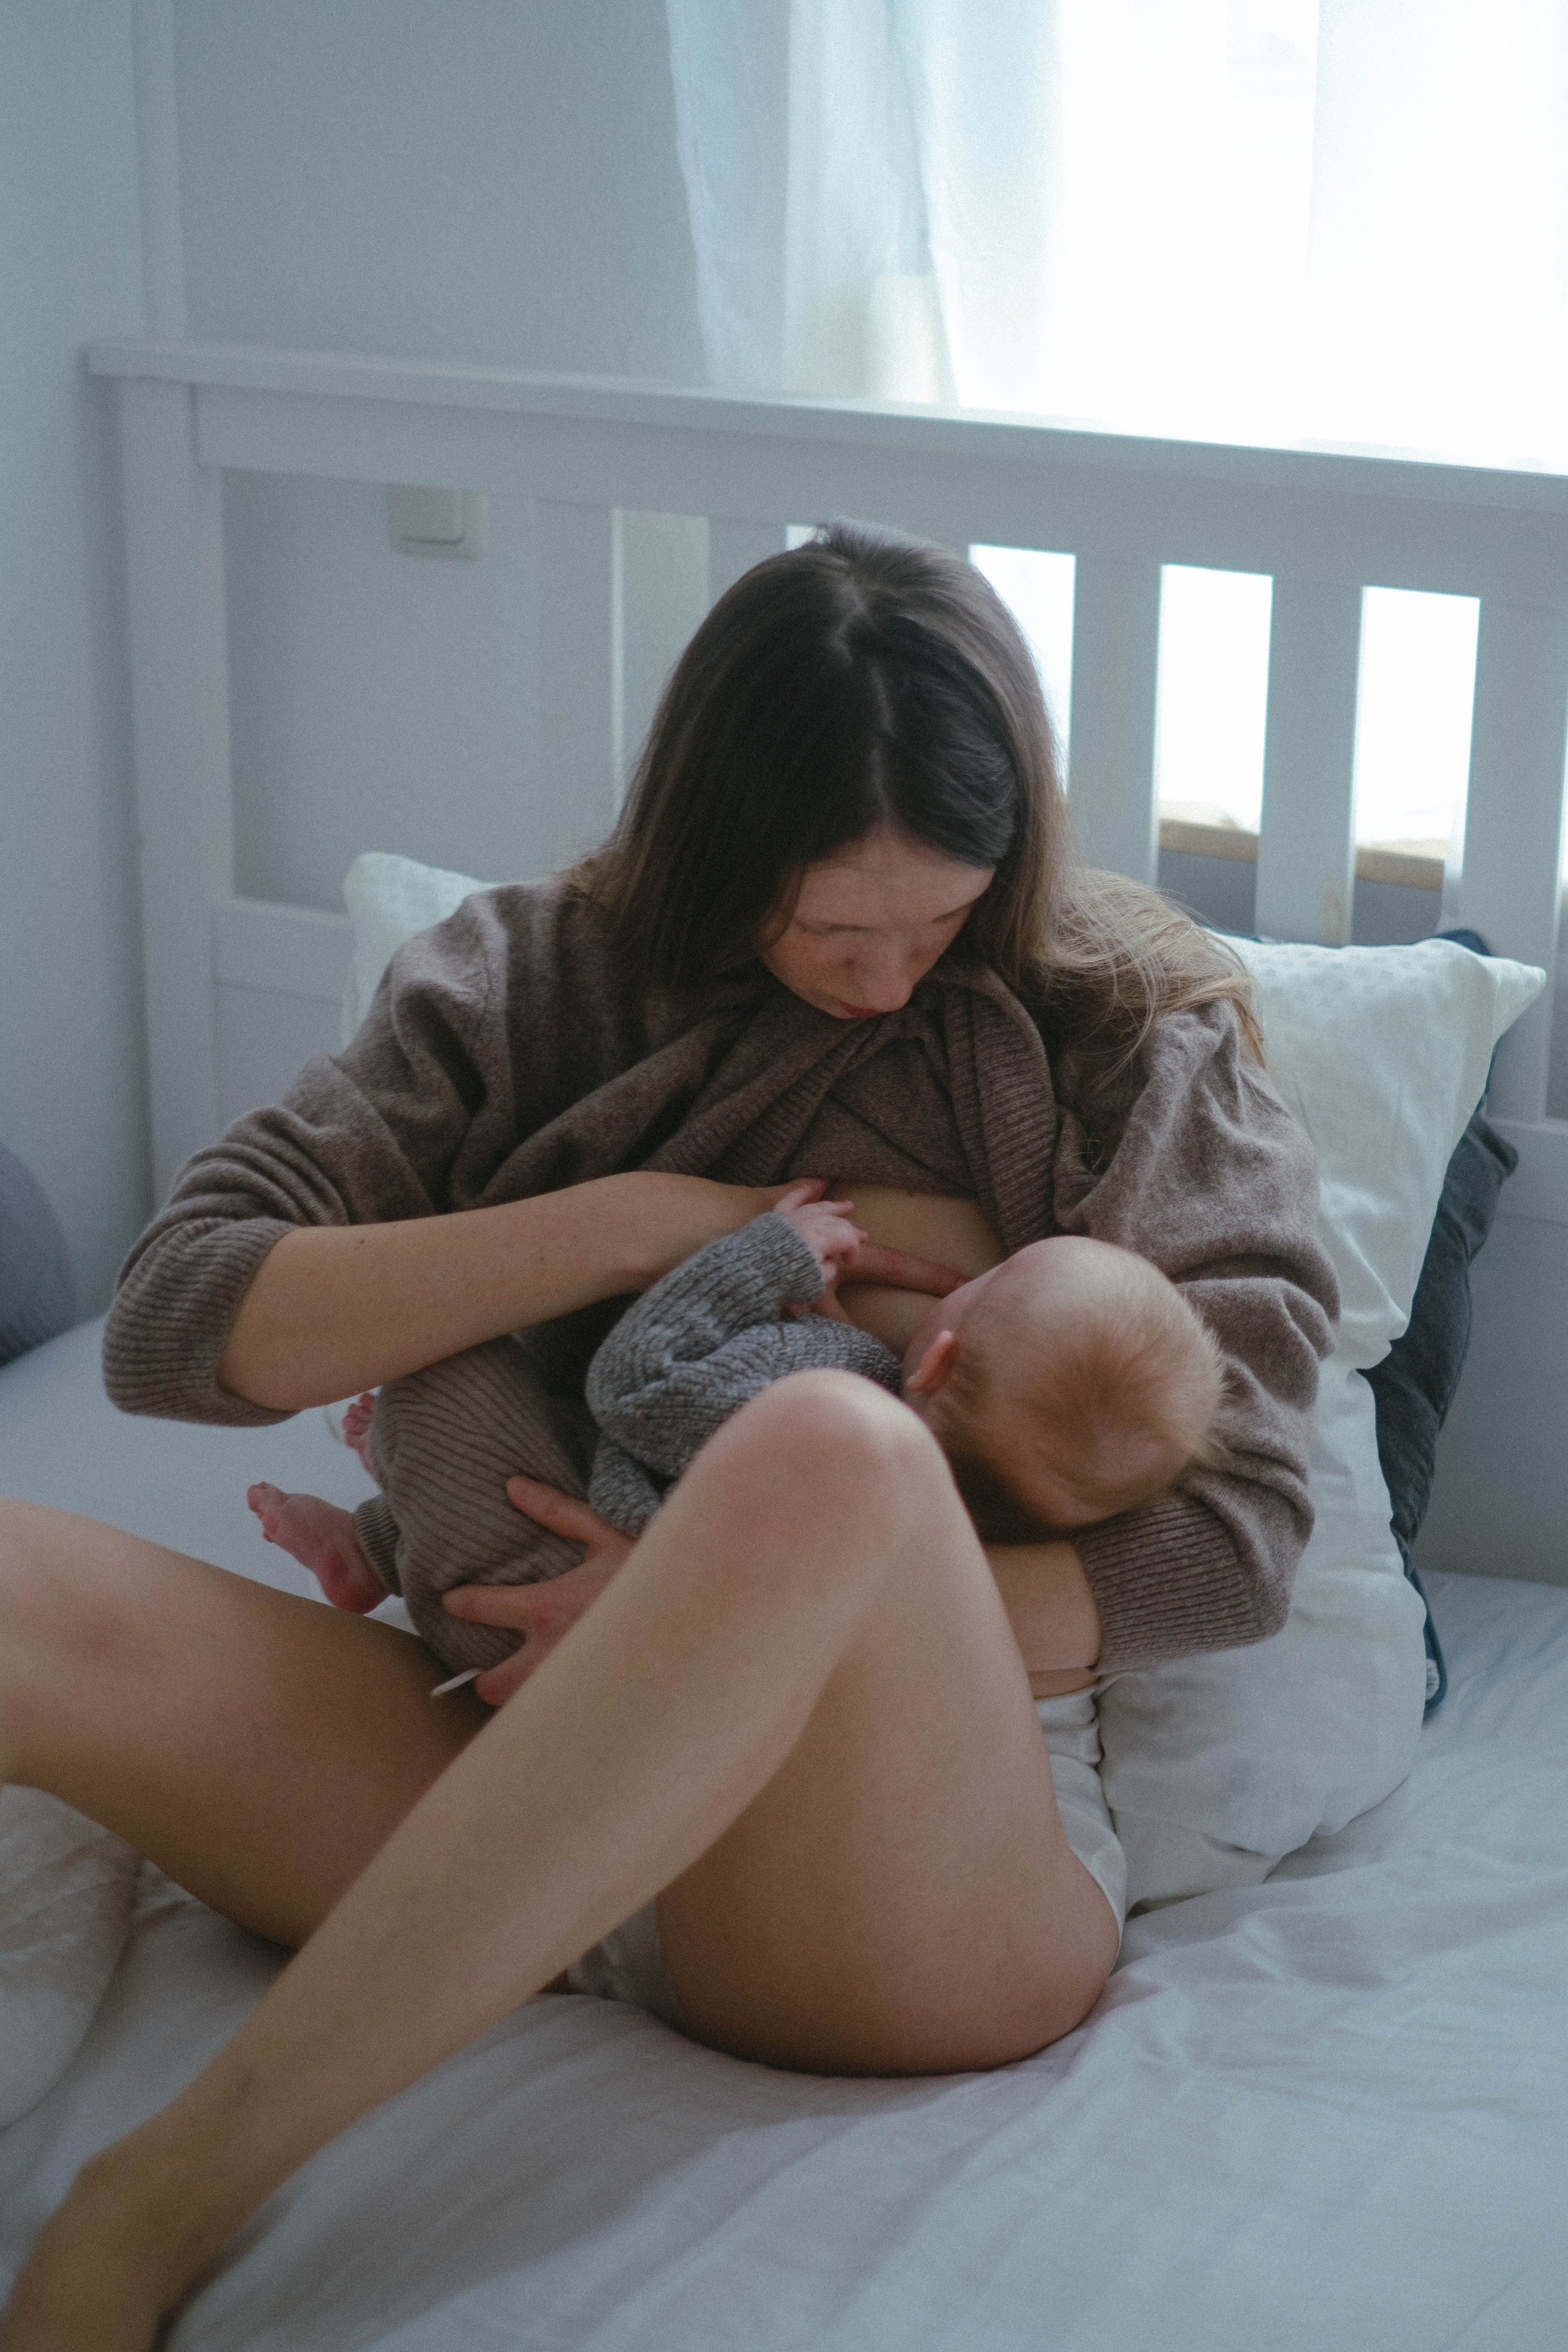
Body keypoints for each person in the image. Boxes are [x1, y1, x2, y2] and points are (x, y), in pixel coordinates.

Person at [0, 520, 1336, 2348]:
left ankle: (160, 2197)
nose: (885, 979)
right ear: (711, 862)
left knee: (826, 1453)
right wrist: (652, 1220)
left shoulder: (1124, 1029)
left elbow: (1232, 1535)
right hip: (493, 1788)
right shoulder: (531, 979)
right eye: (830, 927)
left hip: (883, 1881)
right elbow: (176, 1319)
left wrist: (707, 1621)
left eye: (940, 924)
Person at [248, 1197, 1226, 1643]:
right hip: (575, 1564)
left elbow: (633, 1390)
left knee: (449, 1357)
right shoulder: (937, 1529)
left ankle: (392, 1516)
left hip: (529, 1575)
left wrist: (767, 1258)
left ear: (939, 1356)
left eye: (993, 1279)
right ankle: (370, 1545)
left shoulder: (826, 1393)